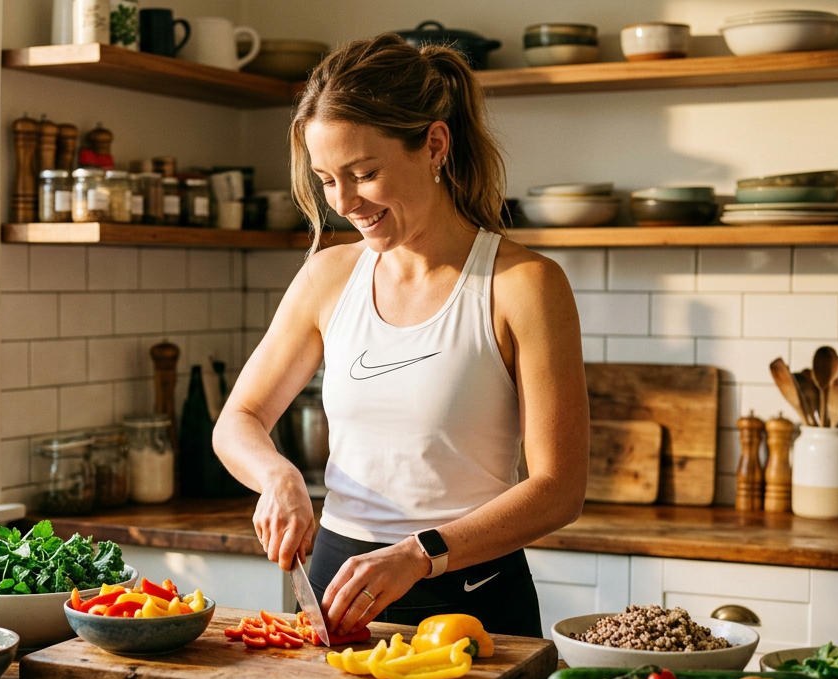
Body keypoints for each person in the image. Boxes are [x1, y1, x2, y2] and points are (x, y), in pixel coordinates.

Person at [212, 33, 589, 640]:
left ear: (434, 145)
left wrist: (418, 554)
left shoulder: (523, 284)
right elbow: (239, 420)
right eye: (327, 180)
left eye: (364, 173)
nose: (345, 202)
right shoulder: (328, 277)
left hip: (470, 595)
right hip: (336, 585)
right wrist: (278, 476)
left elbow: (558, 489)